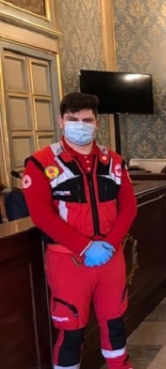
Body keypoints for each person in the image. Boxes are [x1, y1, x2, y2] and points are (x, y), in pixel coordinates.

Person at [21, 92, 137, 369]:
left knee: (115, 323)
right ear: (61, 121)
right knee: (71, 329)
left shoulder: (114, 162)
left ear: (97, 123)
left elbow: (129, 207)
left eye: (86, 119)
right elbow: (41, 215)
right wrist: (84, 247)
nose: (80, 125)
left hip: (111, 258)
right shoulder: (40, 162)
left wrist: (109, 244)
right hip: (68, 260)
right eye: (73, 119)